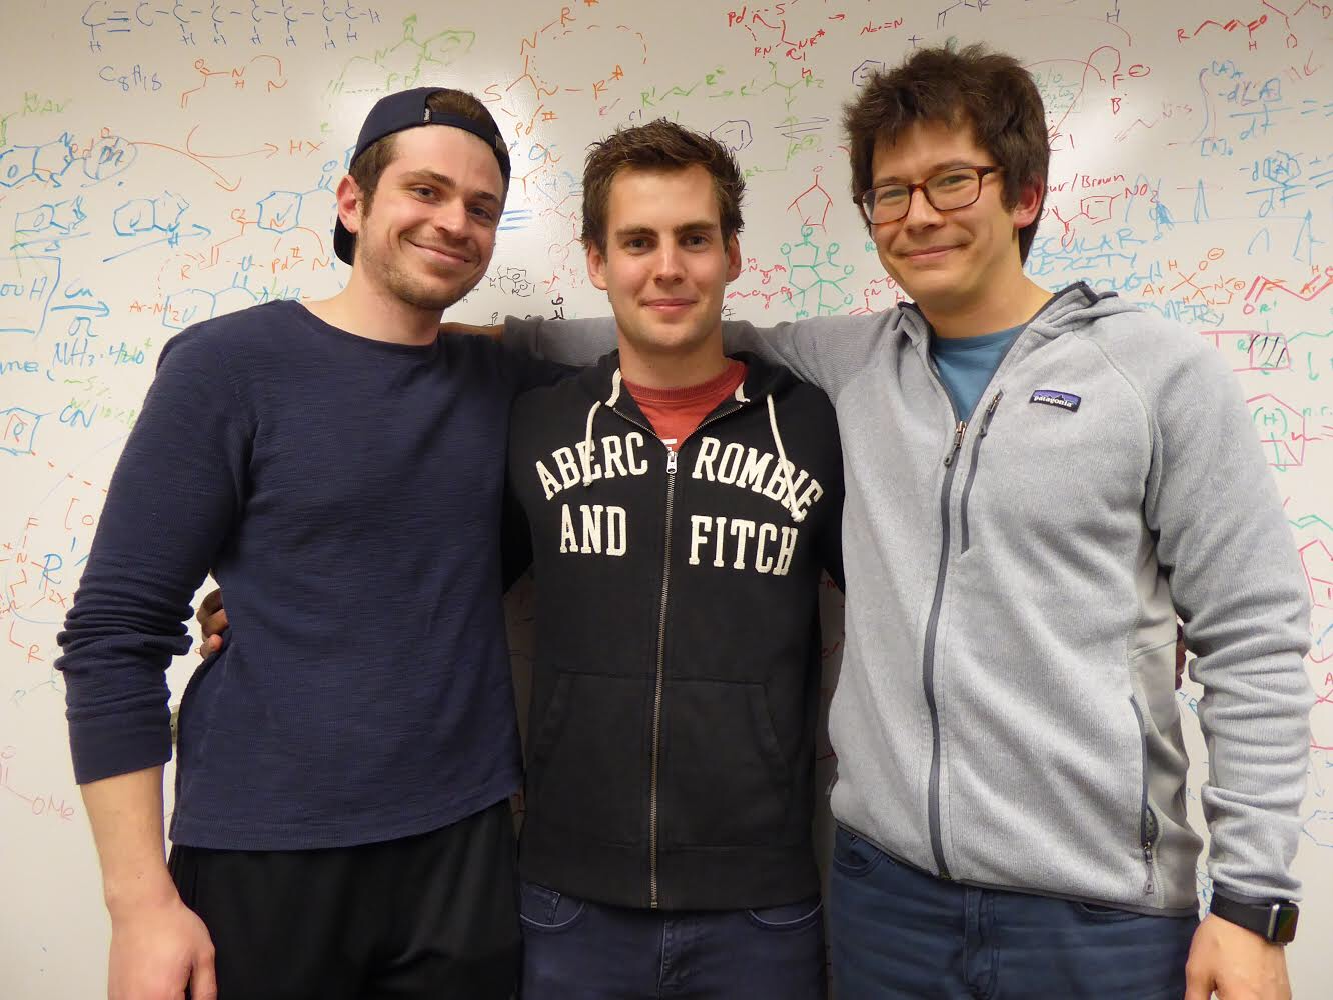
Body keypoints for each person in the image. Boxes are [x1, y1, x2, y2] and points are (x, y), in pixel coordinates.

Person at [499, 44, 1314, 1000]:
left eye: (952, 180)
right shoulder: (853, 365)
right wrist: (466, 339)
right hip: (884, 897)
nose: (919, 213)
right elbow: (678, 330)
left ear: (1024, 194)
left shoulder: (1155, 375)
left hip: (1095, 911)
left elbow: (1253, 636)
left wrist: (1251, 901)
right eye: (891, 192)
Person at [201, 119, 845, 999]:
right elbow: (437, 576)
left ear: (732, 254)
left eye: (694, 239)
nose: (667, 268)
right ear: (595, 261)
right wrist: (278, 596)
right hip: (565, 900)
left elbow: (900, 588)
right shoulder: (536, 421)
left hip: (760, 904)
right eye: (637, 242)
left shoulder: (813, 425)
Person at [56, 87, 557, 1000]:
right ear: (352, 201)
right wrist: (139, 906)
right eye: (425, 191)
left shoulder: (506, 386)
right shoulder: (227, 366)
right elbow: (114, 633)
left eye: (480, 207)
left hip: (465, 849)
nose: (454, 222)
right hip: (264, 850)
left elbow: (656, 342)